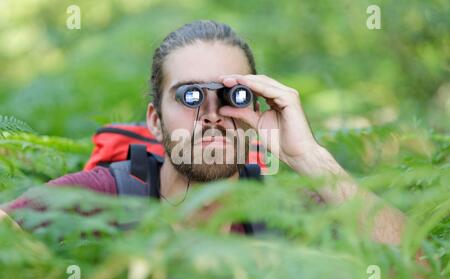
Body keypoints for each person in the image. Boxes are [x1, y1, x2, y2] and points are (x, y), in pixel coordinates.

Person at [0, 20, 405, 243]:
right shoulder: (102, 196)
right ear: (155, 121)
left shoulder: (288, 207)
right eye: (190, 96)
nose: (211, 114)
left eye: (233, 94)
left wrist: (308, 157)